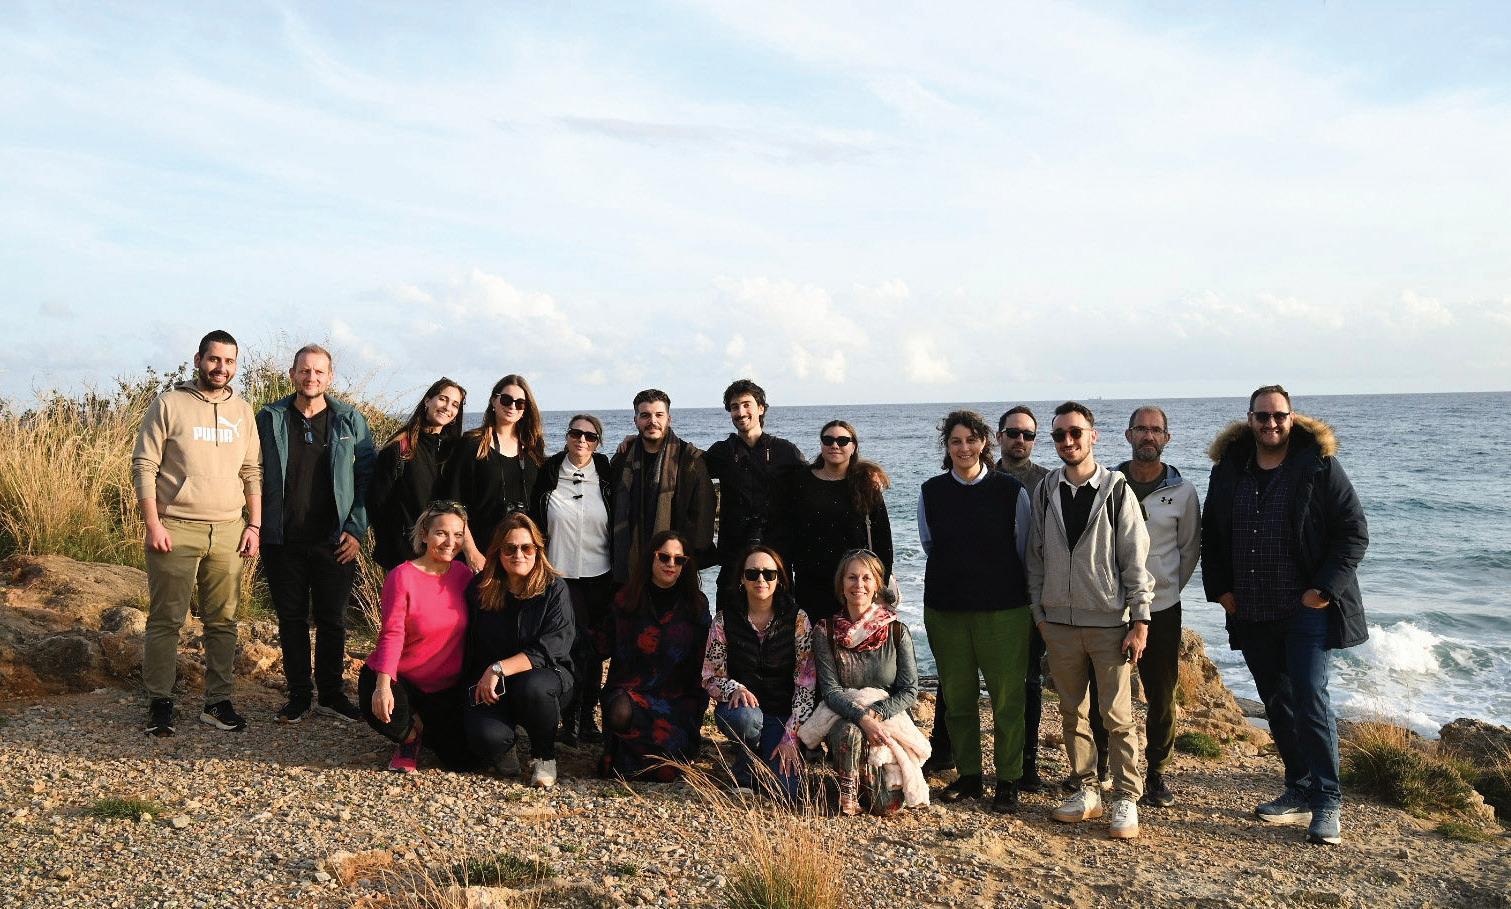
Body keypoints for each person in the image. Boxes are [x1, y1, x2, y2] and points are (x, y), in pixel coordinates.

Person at [1202, 385, 1368, 846]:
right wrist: (1221, 589)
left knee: (1311, 697)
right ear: (1250, 419)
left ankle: (1327, 800)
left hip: (1305, 609)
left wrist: (1324, 589)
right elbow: (1212, 534)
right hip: (1252, 609)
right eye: (1263, 416)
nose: (1271, 424)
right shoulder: (1229, 469)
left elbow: (1353, 532)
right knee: (1277, 702)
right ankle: (1298, 787)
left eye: (1279, 416)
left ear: (1292, 418)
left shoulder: (1318, 466)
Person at [1026, 401, 1154, 839]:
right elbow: (1035, 557)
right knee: (1071, 712)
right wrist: (1040, 614)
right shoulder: (1045, 490)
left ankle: (1126, 796)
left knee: (1117, 716)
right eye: (1059, 435)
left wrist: (1140, 620)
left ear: (1093, 436)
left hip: (1109, 623)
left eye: (1075, 432)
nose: (1068, 441)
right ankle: (1086, 789)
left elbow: (1135, 560)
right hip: (1059, 624)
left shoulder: (1117, 490)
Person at [132, 329, 262, 736]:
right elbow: (144, 465)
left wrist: (254, 524)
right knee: (166, 620)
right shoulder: (169, 404)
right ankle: (160, 702)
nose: (221, 368)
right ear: (198, 360)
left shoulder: (243, 410)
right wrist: (153, 523)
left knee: (223, 622)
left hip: (229, 530)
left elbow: (251, 471)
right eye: (214, 359)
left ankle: (217, 703)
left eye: (229, 361)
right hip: (175, 527)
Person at [1078, 406, 1201, 807]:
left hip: (1162, 609)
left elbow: (1189, 551)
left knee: (1161, 694)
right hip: (1110, 607)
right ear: (1128, 435)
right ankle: (1099, 768)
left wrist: (1162, 591)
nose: (1148, 436)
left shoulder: (1183, 493)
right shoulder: (1107, 484)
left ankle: (1157, 773)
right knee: (1103, 691)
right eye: (1141, 429)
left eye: (1156, 430)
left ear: (1167, 438)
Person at [925, 404, 1050, 782]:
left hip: (1004, 610)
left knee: (1007, 700)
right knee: (958, 699)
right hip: (946, 609)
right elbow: (930, 545)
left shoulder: (1010, 490)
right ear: (947, 446)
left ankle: (1009, 780)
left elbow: (1024, 549)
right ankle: (969, 778)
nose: (964, 448)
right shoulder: (931, 491)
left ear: (984, 443)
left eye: (970, 440)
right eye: (955, 441)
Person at [257, 344, 376, 724]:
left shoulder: (349, 420)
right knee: (290, 619)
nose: (311, 377)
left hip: (334, 540)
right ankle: (298, 695)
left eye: (319, 371)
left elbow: (368, 478)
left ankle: (331, 694)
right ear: (292, 374)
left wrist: (356, 529)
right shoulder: (270, 418)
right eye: (305, 370)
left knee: (332, 620)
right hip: (282, 538)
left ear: (330, 377)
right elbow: (250, 470)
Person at [461, 513, 575, 789]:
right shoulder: (480, 588)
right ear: (497, 552)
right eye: (510, 548)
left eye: (527, 548)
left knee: (532, 687)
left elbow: (553, 646)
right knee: (485, 737)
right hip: (492, 683)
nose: (519, 555)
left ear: (538, 550)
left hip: (544, 676)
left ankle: (544, 756)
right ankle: (505, 745)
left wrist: (499, 668)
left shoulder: (554, 588)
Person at [360, 501, 473, 772]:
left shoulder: (464, 576)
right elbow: (392, 634)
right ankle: (410, 738)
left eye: (458, 535)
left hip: (445, 689)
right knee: (384, 710)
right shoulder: (402, 576)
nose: (450, 542)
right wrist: (383, 686)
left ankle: (423, 725)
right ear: (424, 534)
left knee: (463, 761)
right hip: (403, 679)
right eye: (441, 533)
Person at [810, 549, 921, 816]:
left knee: (885, 806)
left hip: (887, 718)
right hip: (843, 716)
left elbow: (909, 690)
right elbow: (830, 691)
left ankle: (867, 781)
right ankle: (847, 794)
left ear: (877, 584)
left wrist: (876, 714)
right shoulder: (825, 631)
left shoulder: (896, 630)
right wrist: (862, 718)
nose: (858, 584)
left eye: (866, 578)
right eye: (851, 577)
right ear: (841, 584)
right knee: (850, 731)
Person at [701, 545, 814, 799]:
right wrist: (735, 688)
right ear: (742, 579)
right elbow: (710, 676)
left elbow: (806, 684)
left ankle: (763, 759)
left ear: (779, 579)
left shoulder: (798, 620)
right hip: (742, 713)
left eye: (768, 574)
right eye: (752, 574)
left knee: (788, 793)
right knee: (746, 719)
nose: (760, 579)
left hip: (782, 716)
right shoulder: (724, 620)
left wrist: (791, 736)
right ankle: (744, 769)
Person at [599, 530, 711, 781]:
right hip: (630, 690)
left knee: (667, 772)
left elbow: (704, 663)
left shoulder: (697, 605)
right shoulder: (626, 599)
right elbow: (601, 644)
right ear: (651, 557)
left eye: (678, 560)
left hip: (676, 697)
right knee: (620, 712)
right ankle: (620, 754)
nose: (671, 564)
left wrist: (698, 707)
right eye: (664, 557)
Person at [531, 414, 615, 746]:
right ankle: (568, 718)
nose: (582, 440)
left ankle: (587, 717)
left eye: (590, 436)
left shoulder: (606, 474)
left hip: (600, 575)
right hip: (560, 576)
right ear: (566, 436)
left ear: (598, 443)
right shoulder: (549, 472)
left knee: (594, 651)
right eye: (576, 433)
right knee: (568, 647)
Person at [778, 420, 892, 623]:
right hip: (810, 584)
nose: (835, 445)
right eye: (828, 440)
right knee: (815, 641)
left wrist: (880, 586)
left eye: (842, 441)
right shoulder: (800, 482)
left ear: (853, 446)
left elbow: (882, 540)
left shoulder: (866, 485)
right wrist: (785, 585)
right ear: (821, 444)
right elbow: (786, 535)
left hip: (856, 585)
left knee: (855, 642)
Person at [703, 379, 805, 598]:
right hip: (734, 556)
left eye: (746, 404)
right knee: (728, 617)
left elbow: (817, 477)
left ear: (761, 408)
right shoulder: (722, 452)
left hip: (776, 555)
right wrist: (640, 440)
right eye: (734, 407)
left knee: (781, 615)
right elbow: (684, 464)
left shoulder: (784, 451)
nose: (740, 412)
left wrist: (863, 472)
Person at [607, 389, 716, 583]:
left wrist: (684, 559)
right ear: (636, 421)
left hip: (676, 566)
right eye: (645, 415)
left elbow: (703, 515)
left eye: (659, 415)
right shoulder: (622, 459)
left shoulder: (689, 460)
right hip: (631, 568)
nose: (652, 421)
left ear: (669, 419)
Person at [446, 374, 545, 572]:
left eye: (520, 403)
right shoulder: (472, 444)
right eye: (506, 399)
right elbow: (453, 502)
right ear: (493, 401)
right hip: (483, 553)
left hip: (523, 556)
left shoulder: (532, 449)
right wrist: (471, 551)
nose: (512, 406)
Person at [367, 378, 466, 572]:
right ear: (428, 401)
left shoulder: (455, 451)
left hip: (447, 555)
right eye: (443, 399)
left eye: (455, 404)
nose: (447, 407)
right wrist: (399, 549)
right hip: (407, 556)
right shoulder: (400, 448)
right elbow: (377, 504)